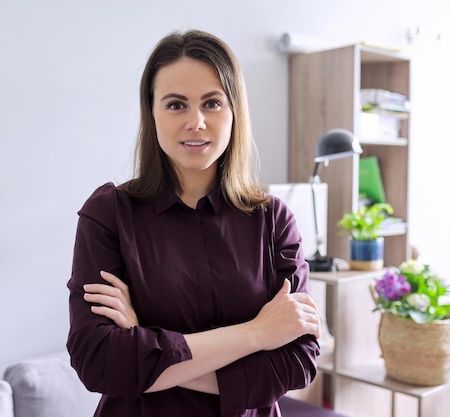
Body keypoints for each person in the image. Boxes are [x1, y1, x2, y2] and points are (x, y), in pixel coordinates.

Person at [66, 29, 321, 417]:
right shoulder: (109, 214)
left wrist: (146, 347)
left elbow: (296, 362)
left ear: (235, 112)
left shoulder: (273, 221)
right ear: (151, 113)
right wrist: (257, 334)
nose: (196, 121)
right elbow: (98, 361)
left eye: (212, 103)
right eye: (176, 105)